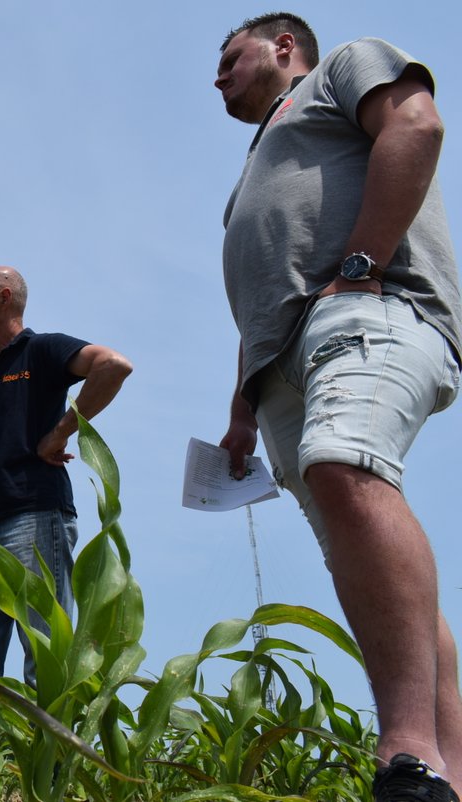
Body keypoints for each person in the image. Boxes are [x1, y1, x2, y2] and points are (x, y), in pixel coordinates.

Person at [214, 13, 462, 801]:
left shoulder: (344, 69)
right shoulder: (254, 163)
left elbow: (416, 126)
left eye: (230, 58)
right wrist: (244, 409)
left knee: (344, 462)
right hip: (281, 362)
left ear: (283, 47)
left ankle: (409, 758)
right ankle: (451, 774)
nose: (216, 78)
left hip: (368, 302)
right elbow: (259, 289)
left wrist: (361, 263)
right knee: (359, 554)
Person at [0, 266, 132, 802]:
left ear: (4, 297)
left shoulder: (42, 350)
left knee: (46, 653)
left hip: (36, 516)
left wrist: (61, 431)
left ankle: (55, 783)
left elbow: (113, 365)